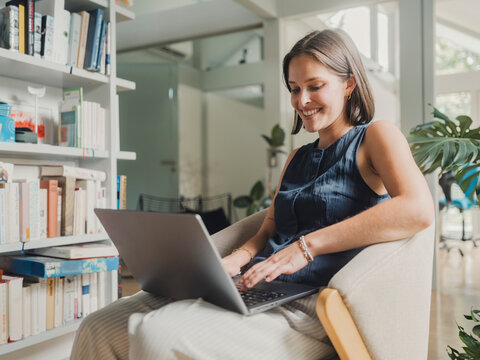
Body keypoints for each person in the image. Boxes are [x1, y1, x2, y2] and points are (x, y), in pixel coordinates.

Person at [71, 29, 434, 360]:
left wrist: (306, 248)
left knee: (159, 334)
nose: (302, 100)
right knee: (99, 326)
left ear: (349, 84)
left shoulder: (376, 137)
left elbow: (417, 210)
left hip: (310, 302)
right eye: (294, 88)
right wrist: (236, 258)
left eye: (315, 86)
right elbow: (268, 229)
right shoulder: (297, 158)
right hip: (256, 285)